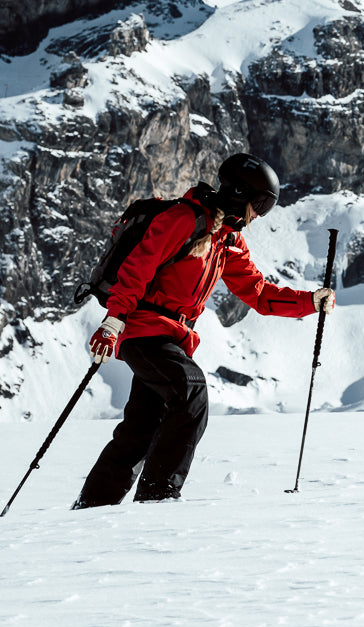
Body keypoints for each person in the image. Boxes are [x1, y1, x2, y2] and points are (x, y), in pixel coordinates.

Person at [73, 153, 335, 507]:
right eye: (259, 203)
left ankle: (91, 508)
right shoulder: (182, 220)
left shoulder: (227, 241)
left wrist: (310, 302)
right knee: (191, 393)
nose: (258, 214)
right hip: (144, 330)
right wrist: (113, 321)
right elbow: (136, 269)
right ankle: (159, 496)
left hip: (173, 339)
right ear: (239, 192)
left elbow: (258, 293)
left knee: (141, 429)